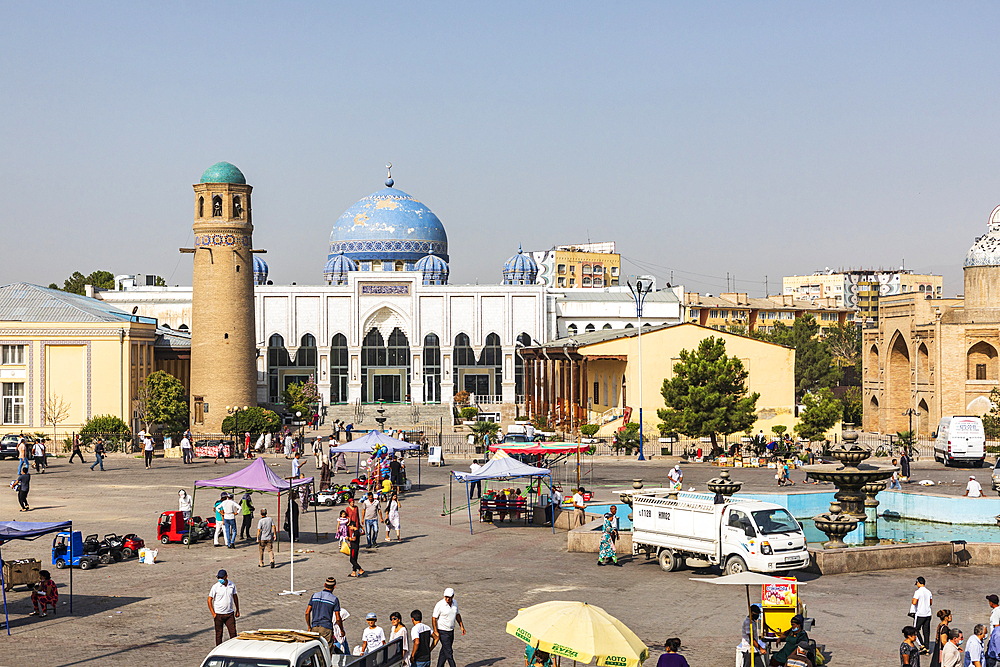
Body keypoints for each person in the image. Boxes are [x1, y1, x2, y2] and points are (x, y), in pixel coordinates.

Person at [306, 577, 345, 649]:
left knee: (315, 651)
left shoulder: (314, 595)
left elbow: (307, 613)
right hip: (326, 629)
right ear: (334, 587)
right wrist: (341, 630)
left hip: (314, 627)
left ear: (324, 585)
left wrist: (309, 627)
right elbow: (338, 618)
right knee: (327, 651)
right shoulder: (334, 599)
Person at [432, 588, 465, 667]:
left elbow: (457, 615)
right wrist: (435, 631)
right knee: (449, 652)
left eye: (449, 597)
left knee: (444, 651)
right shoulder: (440, 604)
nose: (447, 599)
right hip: (443, 631)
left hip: (451, 631)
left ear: (453, 596)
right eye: (446, 597)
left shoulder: (455, 603)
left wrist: (461, 626)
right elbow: (434, 618)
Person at [208, 569, 239, 646]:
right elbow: (209, 600)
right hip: (218, 614)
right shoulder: (215, 587)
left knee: (233, 634)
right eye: (219, 578)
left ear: (226, 577)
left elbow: (235, 597)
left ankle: (233, 648)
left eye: (222, 577)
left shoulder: (232, 585)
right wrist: (213, 614)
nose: (220, 579)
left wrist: (237, 609)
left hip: (229, 614)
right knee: (219, 634)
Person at [913, 577, 934, 649]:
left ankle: (922, 645)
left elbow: (914, 602)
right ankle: (927, 648)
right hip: (928, 614)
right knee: (926, 631)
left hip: (920, 614)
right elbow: (930, 603)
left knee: (915, 630)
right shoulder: (929, 592)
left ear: (918, 583)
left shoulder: (917, 592)